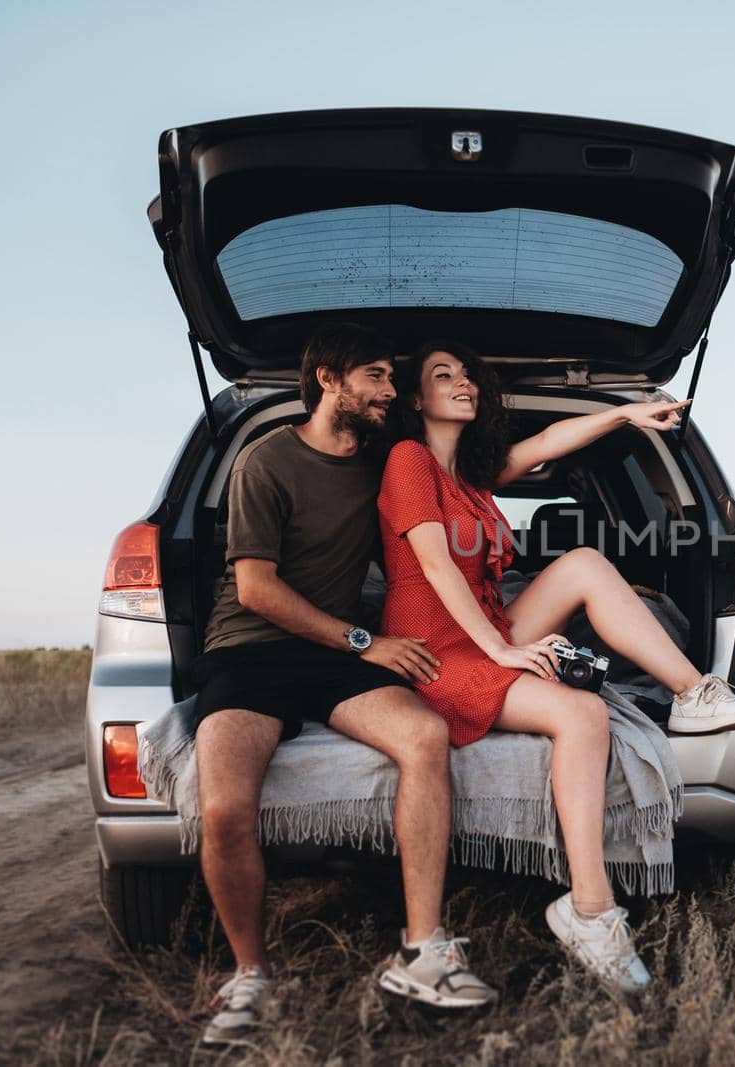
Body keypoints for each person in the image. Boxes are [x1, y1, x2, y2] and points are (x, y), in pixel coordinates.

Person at [376, 339, 735, 994]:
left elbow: (551, 442)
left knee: (584, 563)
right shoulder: (406, 458)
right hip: (432, 651)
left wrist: (624, 416)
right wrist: (503, 651)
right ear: (416, 399)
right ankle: (589, 909)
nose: (463, 382)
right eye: (443, 374)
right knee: (585, 711)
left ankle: (695, 693)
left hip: (482, 632)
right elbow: (437, 565)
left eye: (469, 374)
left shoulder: (471, 478)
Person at [190, 323, 497, 1046]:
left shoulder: (385, 464)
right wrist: (367, 641)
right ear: (330, 379)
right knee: (226, 808)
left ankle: (422, 948)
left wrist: (616, 418)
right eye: (378, 377)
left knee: (424, 735)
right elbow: (256, 590)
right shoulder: (263, 462)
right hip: (251, 650)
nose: (391, 392)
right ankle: (251, 973)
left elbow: (478, 473)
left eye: (395, 379)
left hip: (332, 653)